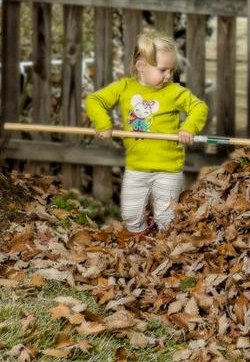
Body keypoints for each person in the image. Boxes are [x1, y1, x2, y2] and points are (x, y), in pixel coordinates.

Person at [86, 28, 208, 234]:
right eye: (163, 70)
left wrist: (188, 127)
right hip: (136, 167)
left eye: (171, 70)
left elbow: (199, 108)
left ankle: (163, 250)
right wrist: (103, 124)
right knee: (130, 216)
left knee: (166, 218)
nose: (169, 75)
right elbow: (94, 100)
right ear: (141, 66)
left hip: (168, 168)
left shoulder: (174, 91)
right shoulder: (124, 88)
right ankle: (140, 244)